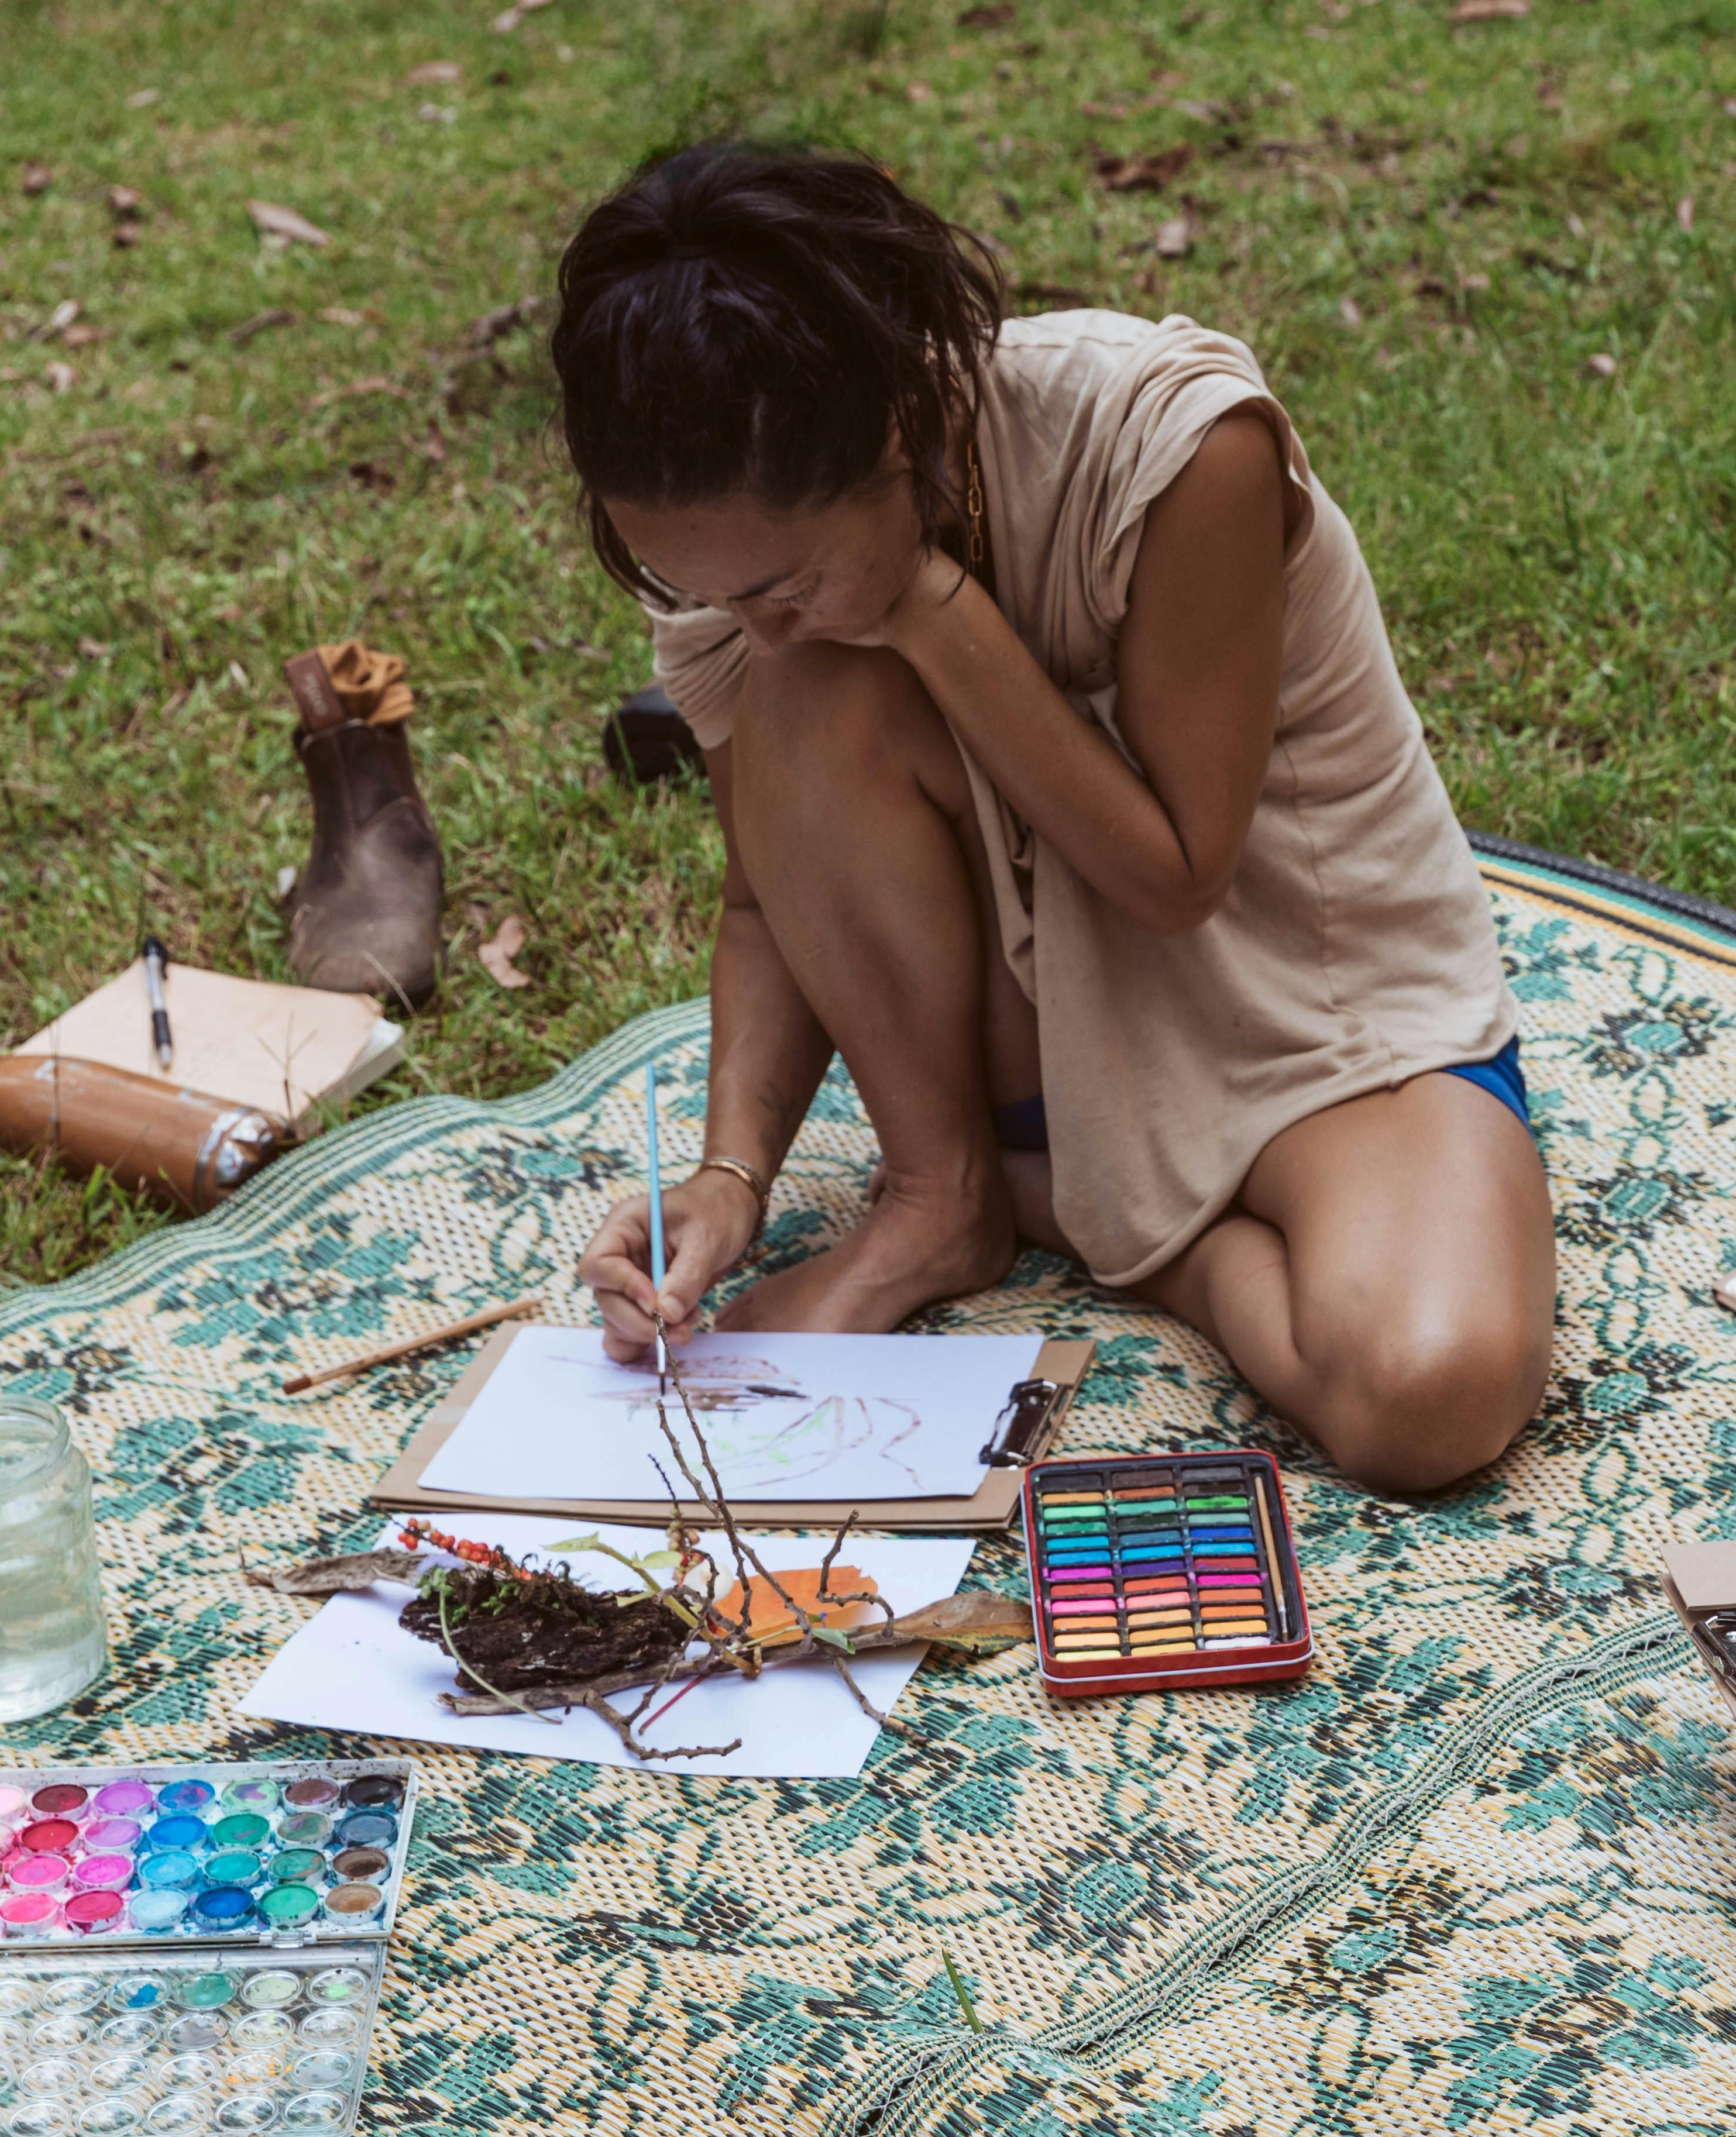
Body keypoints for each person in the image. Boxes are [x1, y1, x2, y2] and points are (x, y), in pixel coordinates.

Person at [546, 142, 1552, 1492]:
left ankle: (1114, 1226)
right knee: (805, 686)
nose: (739, 620)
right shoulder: (740, 567)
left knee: (1433, 1394)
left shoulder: (1176, 445)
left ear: (895, 435)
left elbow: (1182, 876)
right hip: (1040, 1055)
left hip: (1305, 1016)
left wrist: (921, 604)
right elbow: (766, 898)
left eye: (776, 581)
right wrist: (732, 1176)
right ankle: (942, 1196)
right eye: (704, 590)